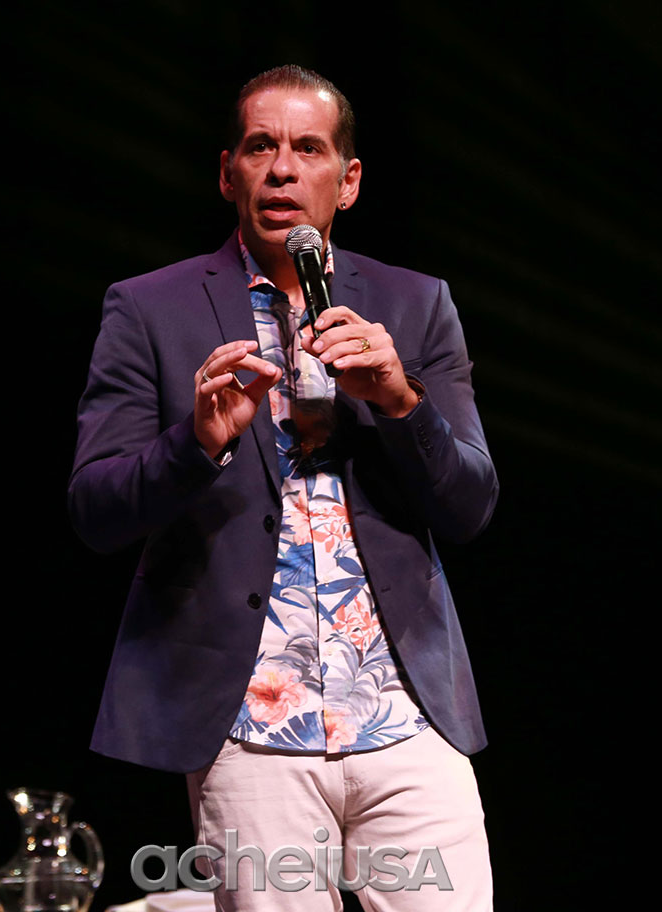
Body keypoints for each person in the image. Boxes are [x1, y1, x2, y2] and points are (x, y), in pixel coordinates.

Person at [70, 64, 498, 911]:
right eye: (260, 147)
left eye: (308, 149)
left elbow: (470, 504)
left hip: (405, 716)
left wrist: (400, 402)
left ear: (349, 180)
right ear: (227, 172)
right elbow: (95, 508)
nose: (281, 170)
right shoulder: (150, 309)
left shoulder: (415, 305)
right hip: (250, 726)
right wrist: (196, 444)